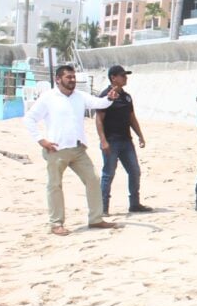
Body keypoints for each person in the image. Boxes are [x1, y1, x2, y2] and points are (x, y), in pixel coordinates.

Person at [23, 64, 119, 235]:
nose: (72, 80)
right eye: (68, 77)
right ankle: (56, 223)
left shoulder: (80, 96)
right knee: (55, 186)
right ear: (58, 79)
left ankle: (96, 219)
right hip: (56, 150)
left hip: (78, 149)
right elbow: (30, 119)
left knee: (93, 179)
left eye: (73, 77)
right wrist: (41, 140)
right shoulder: (48, 98)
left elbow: (98, 103)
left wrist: (109, 99)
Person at [96, 65, 152, 215]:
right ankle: (103, 207)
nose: (125, 78)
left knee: (135, 171)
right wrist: (103, 141)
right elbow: (99, 120)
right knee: (109, 173)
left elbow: (131, 117)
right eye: (122, 75)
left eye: (125, 75)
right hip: (111, 141)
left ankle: (134, 203)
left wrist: (140, 135)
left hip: (126, 141)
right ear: (113, 77)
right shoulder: (105, 96)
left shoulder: (127, 97)